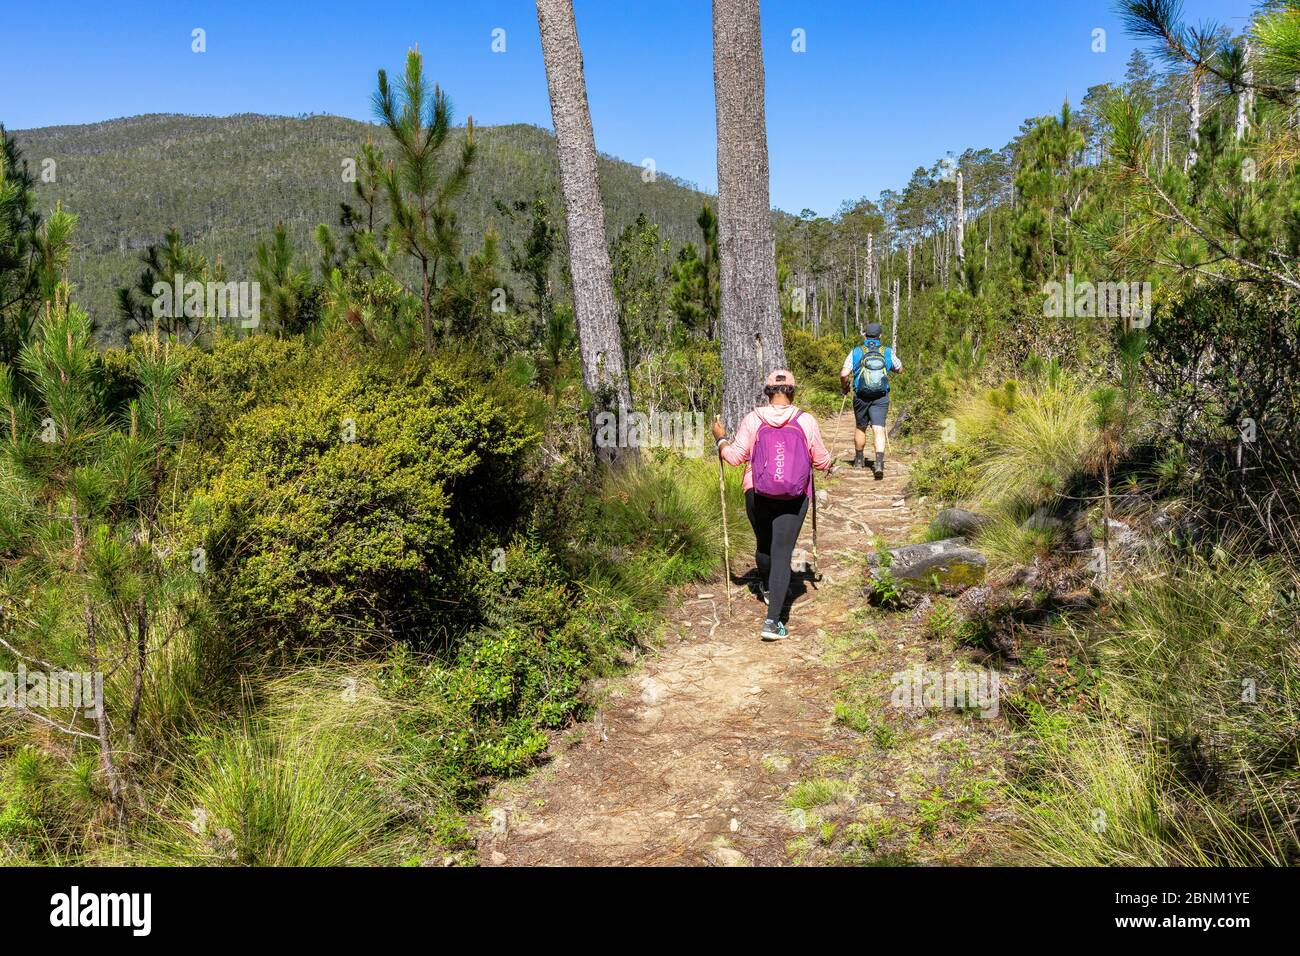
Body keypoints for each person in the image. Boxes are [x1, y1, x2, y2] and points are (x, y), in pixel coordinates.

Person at [711, 370, 832, 641]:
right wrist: (829, 463)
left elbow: (733, 457)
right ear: (793, 391)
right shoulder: (806, 420)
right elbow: (822, 461)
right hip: (793, 495)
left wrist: (720, 438)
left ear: (767, 392)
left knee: (765, 543)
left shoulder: (753, 419)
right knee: (782, 553)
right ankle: (772, 621)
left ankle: (767, 588)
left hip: (757, 491)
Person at [841, 322, 902, 480]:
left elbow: (844, 373)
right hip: (881, 396)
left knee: (861, 427)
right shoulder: (887, 351)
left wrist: (845, 387)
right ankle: (879, 463)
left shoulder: (856, 351)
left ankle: (859, 460)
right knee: (879, 428)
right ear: (880, 336)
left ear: (865, 335)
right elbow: (900, 368)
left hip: (861, 396)